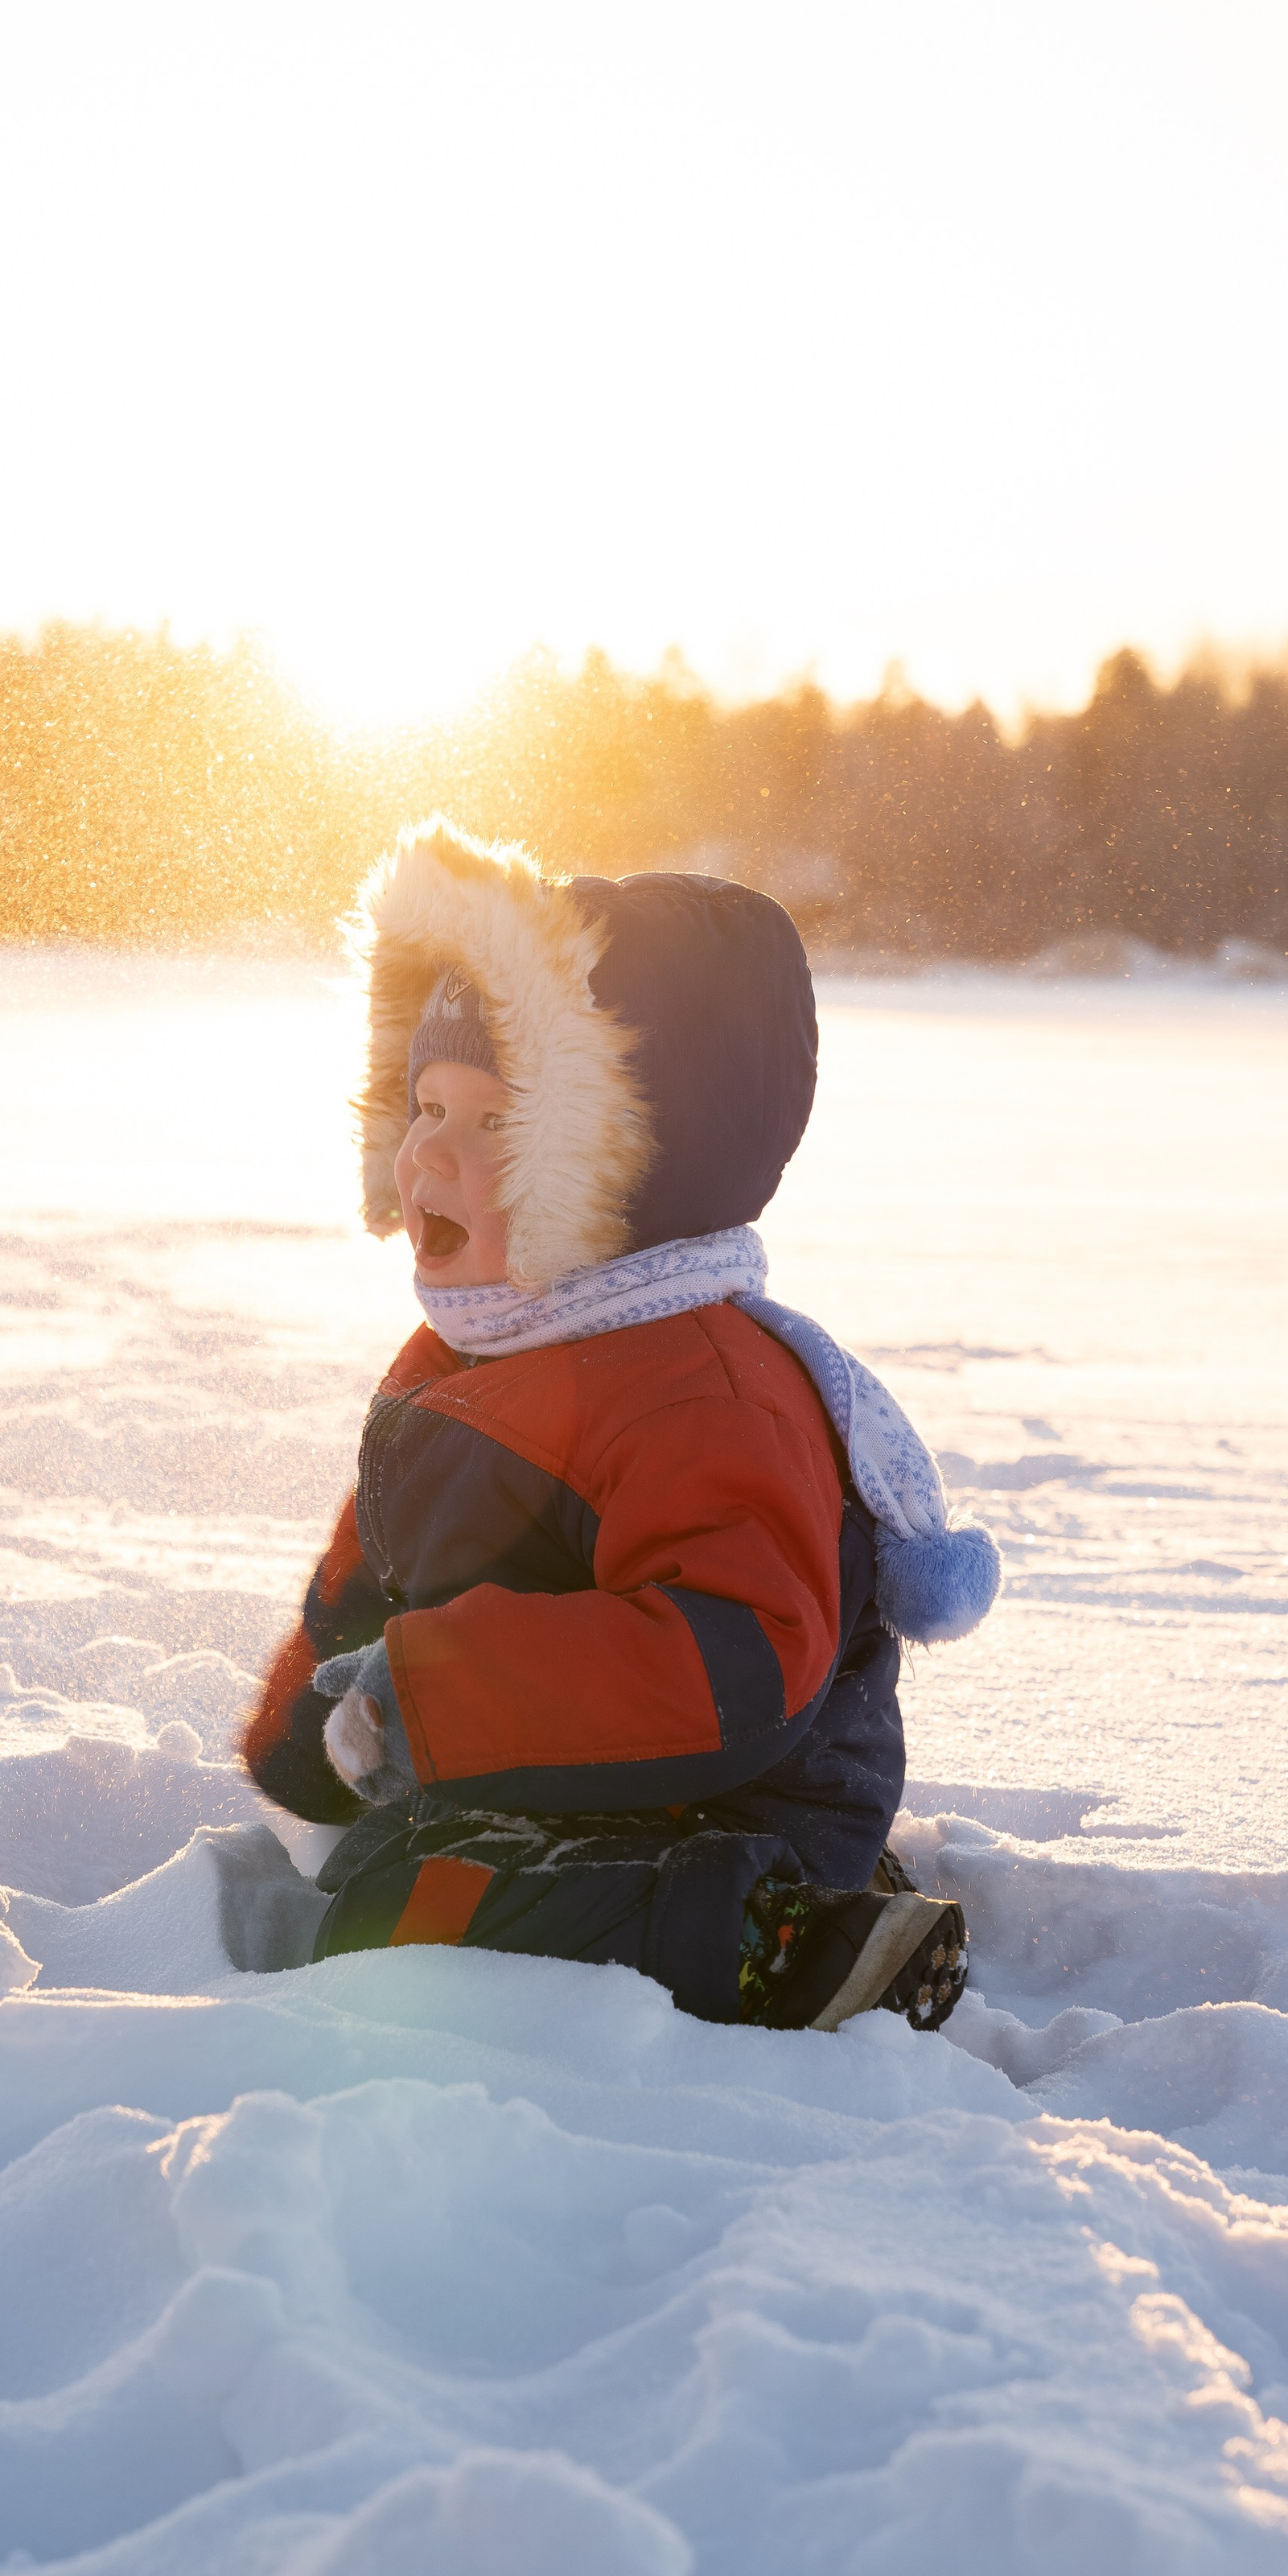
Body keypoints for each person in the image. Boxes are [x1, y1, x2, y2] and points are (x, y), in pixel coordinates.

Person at [243, 819, 1000, 2030]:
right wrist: (308, 1736)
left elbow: (730, 1657)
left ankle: (776, 1932)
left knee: (392, 1911)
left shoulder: (700, 1388)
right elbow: (377, 1562)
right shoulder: (474, 1346)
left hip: (728, 1799)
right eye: (423, 1105)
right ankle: (742, 1905)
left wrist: (432, 1700)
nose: (428, 1151)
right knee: (377, 1875)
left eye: (493, 1125)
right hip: (560, 1782)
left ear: (618, 1164)